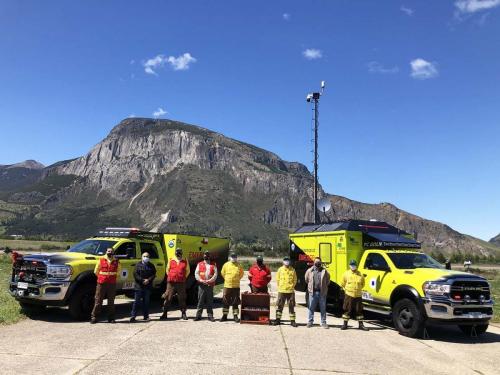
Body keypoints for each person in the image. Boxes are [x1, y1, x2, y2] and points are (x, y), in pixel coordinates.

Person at [91, 247, 121, 324]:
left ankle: (111, 318)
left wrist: (112, 278)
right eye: (108, 251)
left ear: (113, 252)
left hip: (111, 284)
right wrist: (102, 278)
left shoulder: (117, 261)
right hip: (101, 283)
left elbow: (119, 272)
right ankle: (94, 317)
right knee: (98, 301)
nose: (110, 252)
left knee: (111, 301)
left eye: (111, 251)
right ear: (106, 251)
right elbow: (96, 271)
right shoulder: (101, 260)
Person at [160, 248, 190, 320]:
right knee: (168, 298)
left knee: (182, 298)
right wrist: (172, 276)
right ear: (175, 253)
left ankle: (183, 313)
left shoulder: (185, 260)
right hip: (171, 283)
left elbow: (187, 271)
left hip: (181, 283)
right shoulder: (171, 259)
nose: (178, 254)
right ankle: (165, 313)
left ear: (181, 253)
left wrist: (182, 277)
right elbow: (167, 270)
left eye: (179, 252)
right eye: (177, 252)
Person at [340, 259, 368, 331]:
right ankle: (345, 324)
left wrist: (357, 289)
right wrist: (347, 290)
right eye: (352, 265)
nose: (353, 266)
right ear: (349, 265)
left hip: (358, 295)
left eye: (354, 265)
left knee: (359, 310)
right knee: (347, 310)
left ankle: (361, 325)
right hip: (349, 294)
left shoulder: (360, 274)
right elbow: (342, 283)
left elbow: (363, 284)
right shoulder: (346, 274)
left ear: (356, 266)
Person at [130, 252, 156, 322]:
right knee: (136, 302)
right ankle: (133, 316)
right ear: (142, 257)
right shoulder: (138, 265)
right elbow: (135, 274)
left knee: (146, 302)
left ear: (149, 257)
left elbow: (154, 274)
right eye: (144, 256)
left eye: (147, 256)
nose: (146, 257)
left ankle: (146, 316)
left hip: (147, 287)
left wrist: (148, 280)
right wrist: (142, 280)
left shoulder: (151, 265)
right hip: (139, 286)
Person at [305, 257, 330, 329]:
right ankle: (310, 321)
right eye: (316, 262)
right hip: (313, 292)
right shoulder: (310, 271)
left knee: (323, 308)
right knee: (311, 308)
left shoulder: (324, 271)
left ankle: (323, 322)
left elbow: (328, 281)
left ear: (321, 263)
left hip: (322, 293)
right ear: (314, 262)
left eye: (319, 262)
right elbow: (306, 279)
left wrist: (324, 287)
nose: (317, 263)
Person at [274, 256, 297, 327]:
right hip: (282, 291)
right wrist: (280, 287)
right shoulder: (280, 269)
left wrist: (292, 286)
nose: (286, 261)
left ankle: (292, 321)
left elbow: (295, 280)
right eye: (285, 260)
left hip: (290, 291)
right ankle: (278, 320)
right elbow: (277, 279)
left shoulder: (293, 270)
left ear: (289, 261)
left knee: (291, 306)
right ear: (283, 261)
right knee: (279, 306)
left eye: (288, 260)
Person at [220, 252, 244, 322]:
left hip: (236, 286)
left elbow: (241, 274)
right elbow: (222, 273)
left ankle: (235, 316)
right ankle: (224, 316)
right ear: (230, 257)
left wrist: (237, 279)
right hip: (227, 286)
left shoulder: (239, 265)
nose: (234, 258)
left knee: (235, 301)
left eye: (235, 256)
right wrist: (227, 279)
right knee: (225, 301)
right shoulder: (226, 265)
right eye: (232, 256)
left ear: (236, 257)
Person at [194, 251, 218, 321]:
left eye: (207, 255)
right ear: (203, 256)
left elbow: (215, 274)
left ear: (209, 256)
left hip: (210, 285)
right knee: (200, 301)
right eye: (205, 254)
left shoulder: (213, 264)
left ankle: (210, 315)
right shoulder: (200, 264)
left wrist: (209, 280)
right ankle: (198, 315)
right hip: (202, 285)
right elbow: (196, 273)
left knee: (209, 301)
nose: (206, 256)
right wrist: (201, 280)